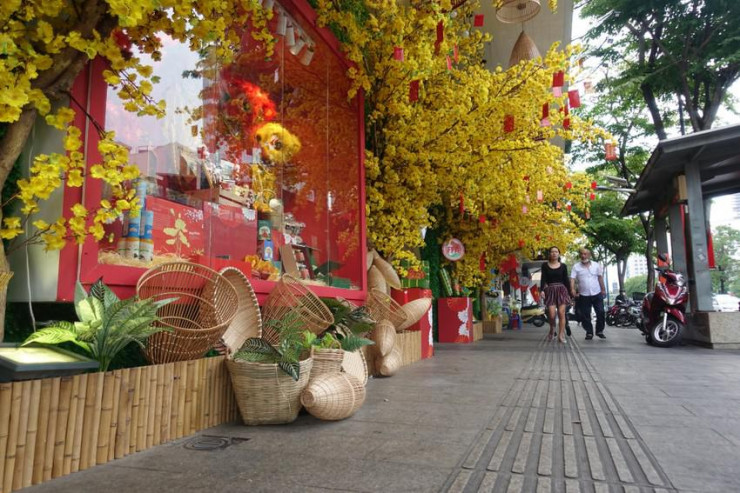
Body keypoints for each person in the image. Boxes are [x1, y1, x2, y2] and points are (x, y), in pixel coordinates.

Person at [570, 248, 607, 340]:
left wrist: (603, 289)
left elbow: (600, 278)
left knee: (601, 312)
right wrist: (572, 289)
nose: (583, 256)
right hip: (584, 294)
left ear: (589, 255)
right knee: (585, 314)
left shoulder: (596, 265)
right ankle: (589, 332)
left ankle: (599, 331)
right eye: (582, 254)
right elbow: (572, 279)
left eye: (585, 254)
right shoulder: (576, 267)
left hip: (597, 293)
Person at [540, 246, 571, 343]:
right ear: (549, 254)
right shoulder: (545, 265)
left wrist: (570, 293)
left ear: (559, 254)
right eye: (552, 252)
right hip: (550, 291)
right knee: (552, 315)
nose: (554, 253)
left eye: (556, 252)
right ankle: (552, 329)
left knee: (561, 313)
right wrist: (542, 290)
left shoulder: (563, 266)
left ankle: (561, 335)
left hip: (562, 290)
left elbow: (566, 280)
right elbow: (543, 278)